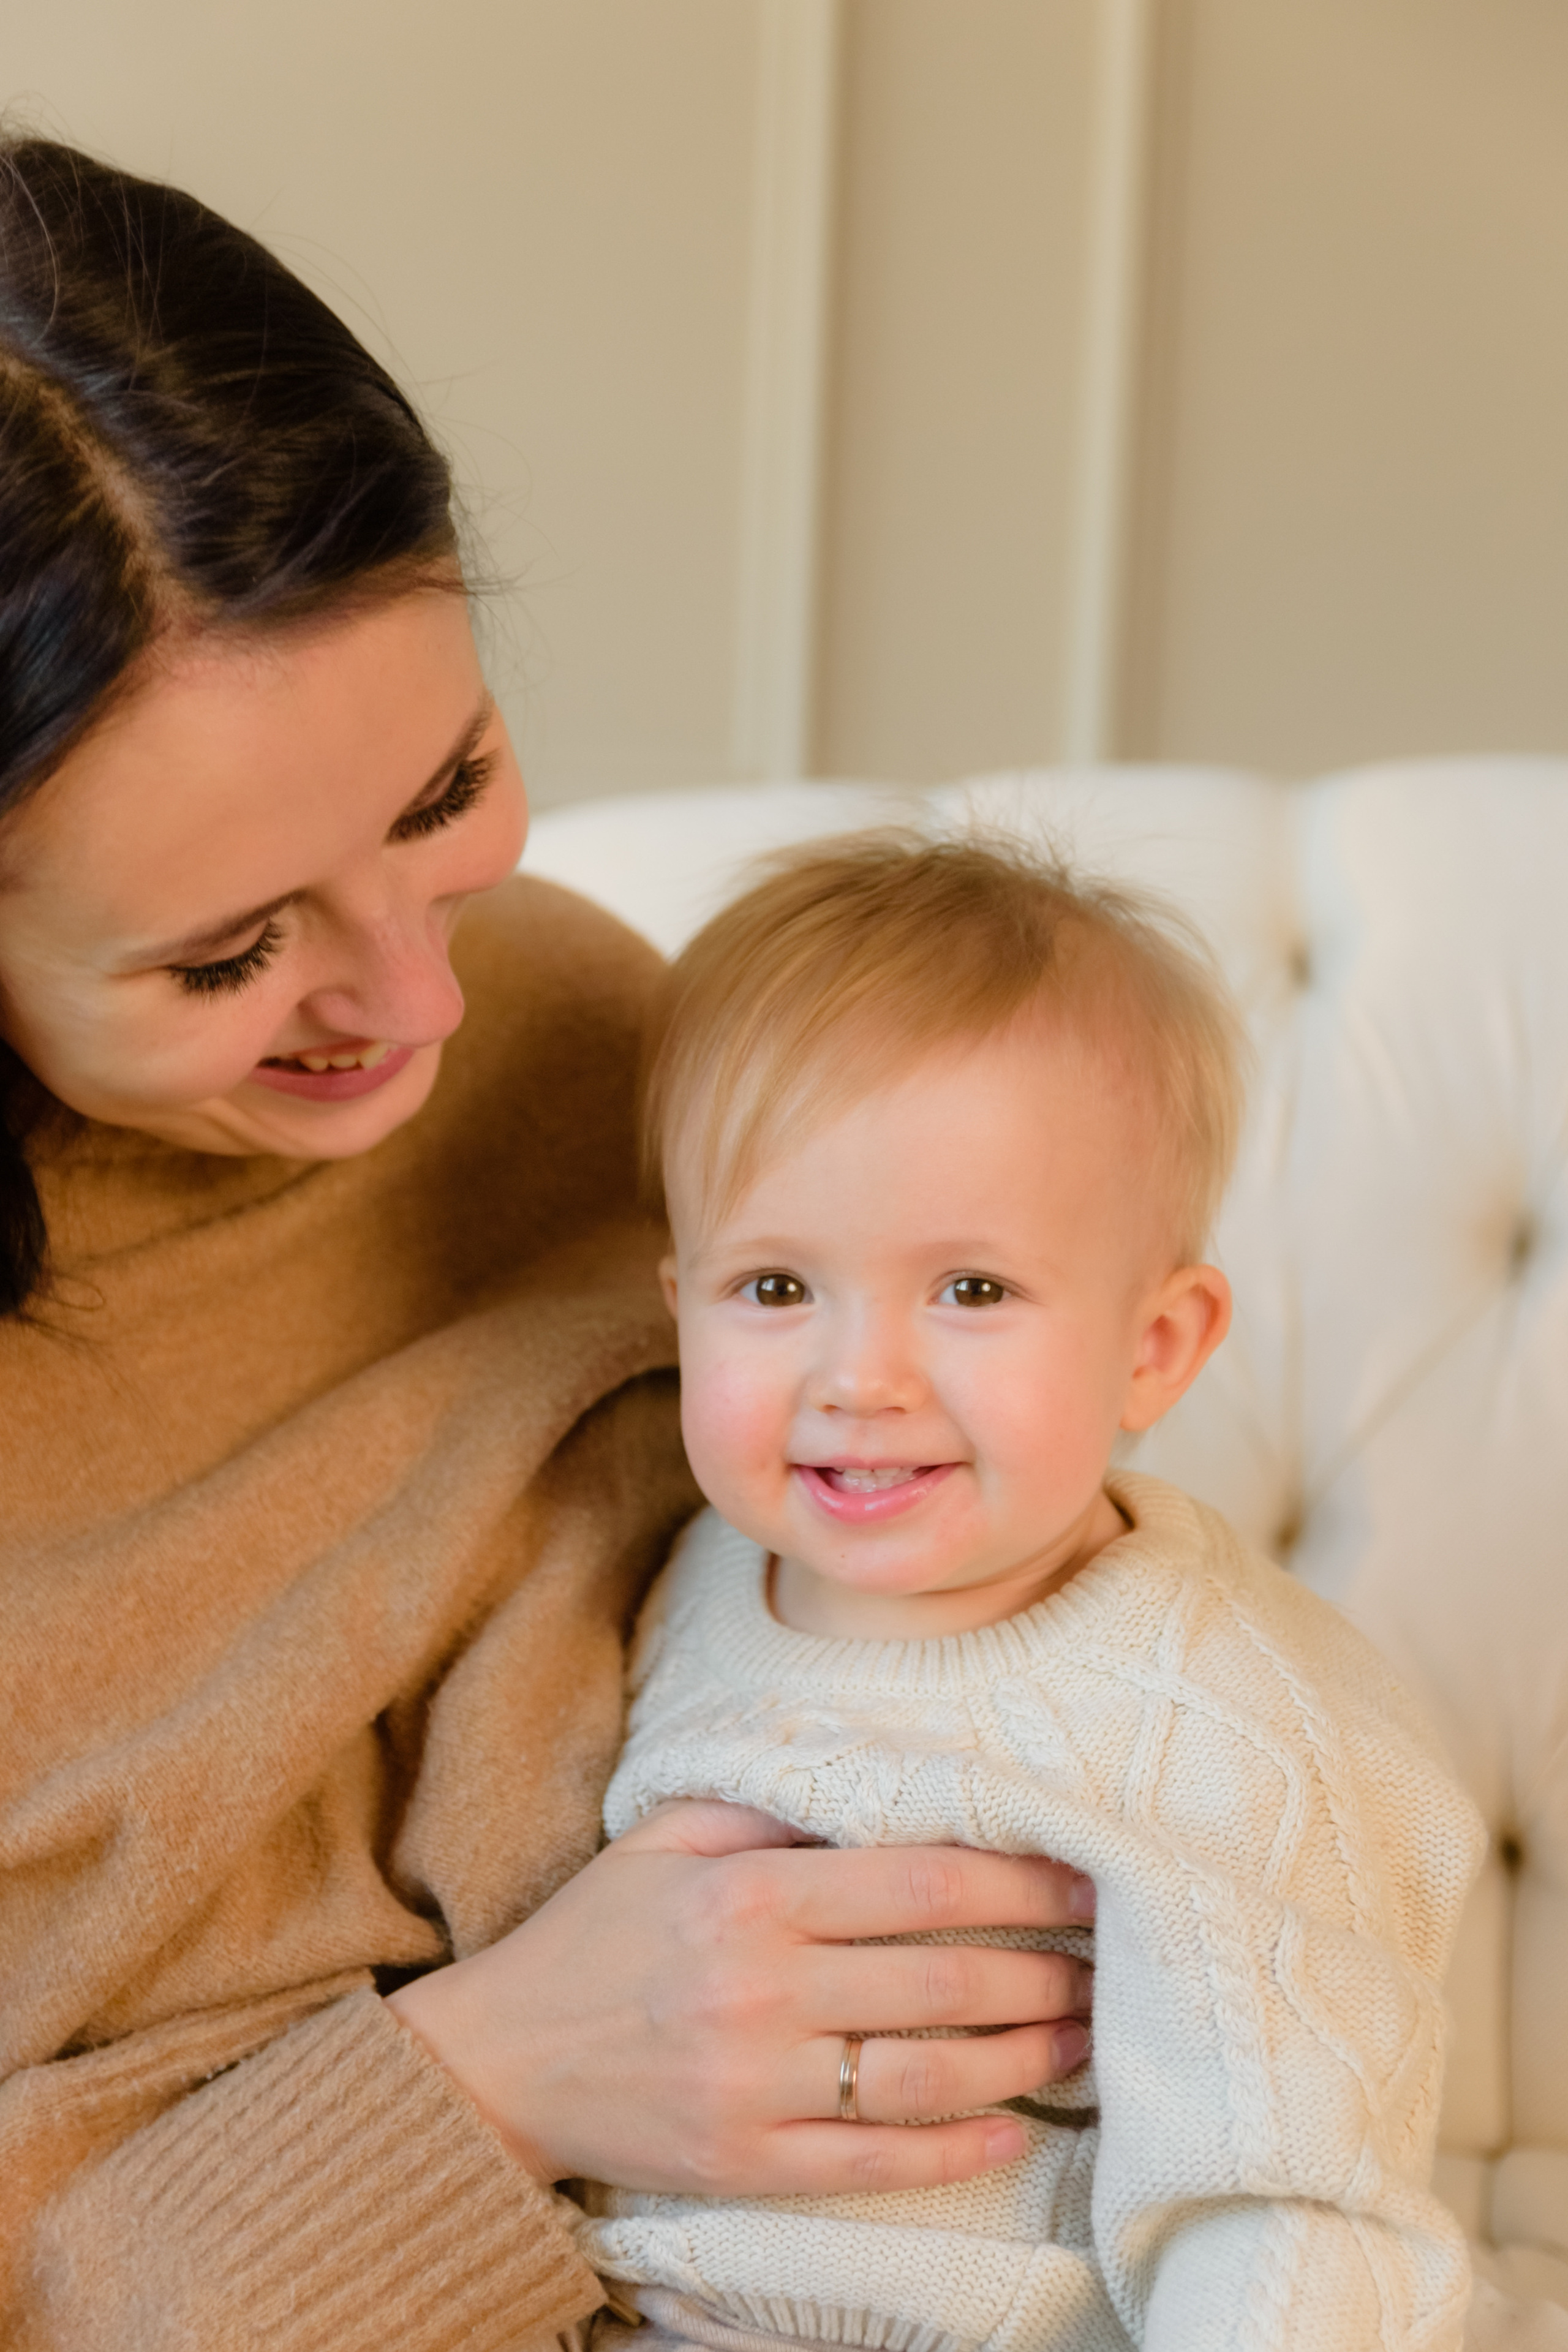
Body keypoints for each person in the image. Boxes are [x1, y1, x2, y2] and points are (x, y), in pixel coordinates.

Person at [0, 141, 1098, 2347]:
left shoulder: (602, 1035)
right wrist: (487, 2079)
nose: (421, 1005)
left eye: (445, 797)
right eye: (228, 955)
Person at [575, 833, 1487, 2352]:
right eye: (777, 1288)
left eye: (972, 1291)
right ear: (683, 1306)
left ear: (1153, 1347)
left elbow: (1286, 2210)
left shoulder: (1224, 1721)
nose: (856, 1380)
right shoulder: (682, 1579)